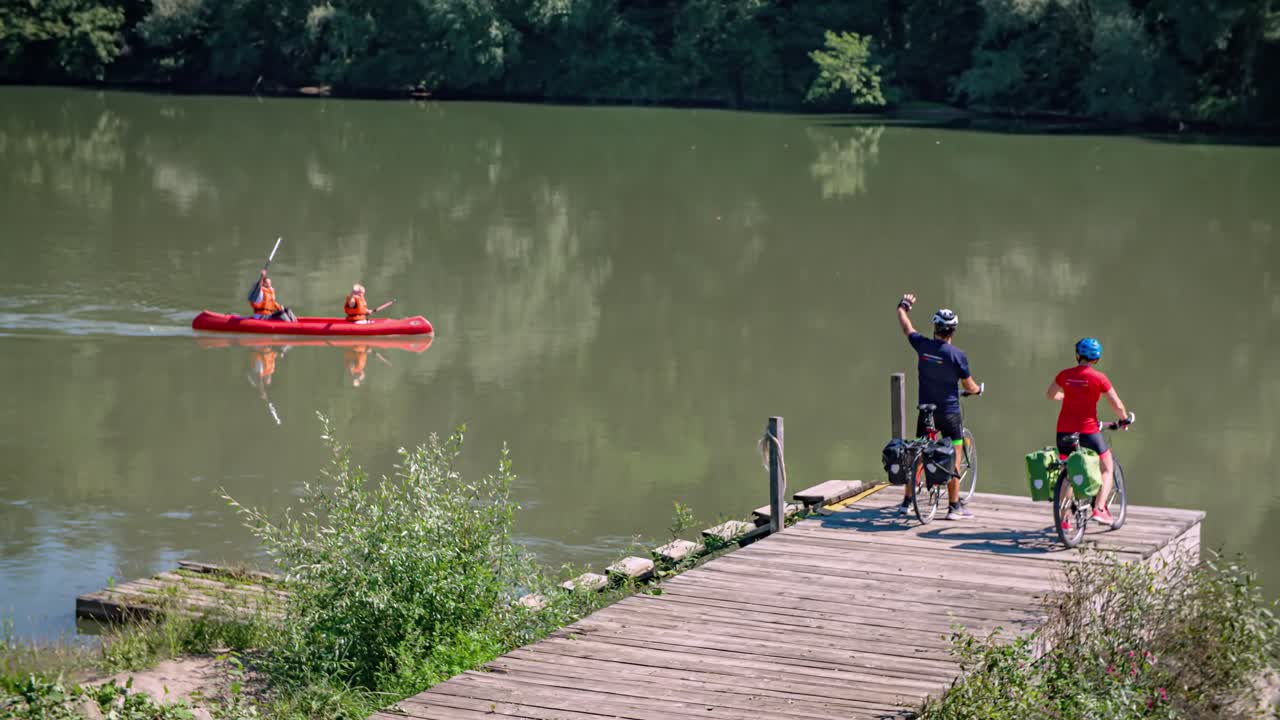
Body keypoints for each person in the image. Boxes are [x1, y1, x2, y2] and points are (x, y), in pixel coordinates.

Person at [896, 293, 983, 520]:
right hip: (950, 413)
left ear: (935, 327)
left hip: (926, 412)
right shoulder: (957, 356)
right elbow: (969, 384)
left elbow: (907, 327)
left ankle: (907, 501)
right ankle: (954, 507)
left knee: (918, 453)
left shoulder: (923, 346)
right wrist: (978, 390)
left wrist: (903, 307)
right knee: (953, 455)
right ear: (953, 331)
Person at [1045, 337, 1130, 527]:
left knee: (1067, 471)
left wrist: (1066, 396)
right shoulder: (1099, 378)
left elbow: (1050, 394)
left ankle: (1064, 518)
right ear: (1096, 359)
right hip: (1088, 432)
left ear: (1077, 355)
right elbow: (1116, 404)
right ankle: (1099, 508)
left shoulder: (1064, 375)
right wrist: (1124, 419)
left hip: (1064, 432)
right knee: (1108, 467)